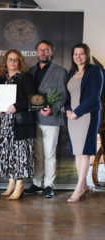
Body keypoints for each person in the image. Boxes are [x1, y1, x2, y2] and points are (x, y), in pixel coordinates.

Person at [25, 40, 67, 198]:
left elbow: (63, 95)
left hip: (51, 119)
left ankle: (49, 185)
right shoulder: (31, 71)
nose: (43, 52)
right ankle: (37, 182)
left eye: (46, 50)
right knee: (37, 153)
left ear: (51, 52)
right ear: (36, 52)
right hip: (34, 118)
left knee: (49, 154)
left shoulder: (60, 71)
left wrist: (53, 109)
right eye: (40, 50)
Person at [0, 49, 36, 200]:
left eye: (16, 60)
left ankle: (20, 186)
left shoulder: (26, 77)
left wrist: (16, 106)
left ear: (20, 62)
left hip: (19, 123)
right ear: (6, 61)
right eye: (10, 60)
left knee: (20, 155)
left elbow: (32, 99)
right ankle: (11, 183)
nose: (13, 62)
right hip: (4, 122)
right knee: (8, 153)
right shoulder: (1, 78)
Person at [65, 43, 103, 202]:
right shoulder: (71, 73)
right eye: (75, 54)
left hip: (87, 115)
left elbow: (95, 96)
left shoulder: (95, 71)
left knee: (84, 151)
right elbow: (68, 96)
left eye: (81, 54)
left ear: (87, 55)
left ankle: (79, 188)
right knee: (77, 151)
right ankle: (84, 185)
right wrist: (67, 109)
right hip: (72, 117)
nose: (78, 56)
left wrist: (77, 112)